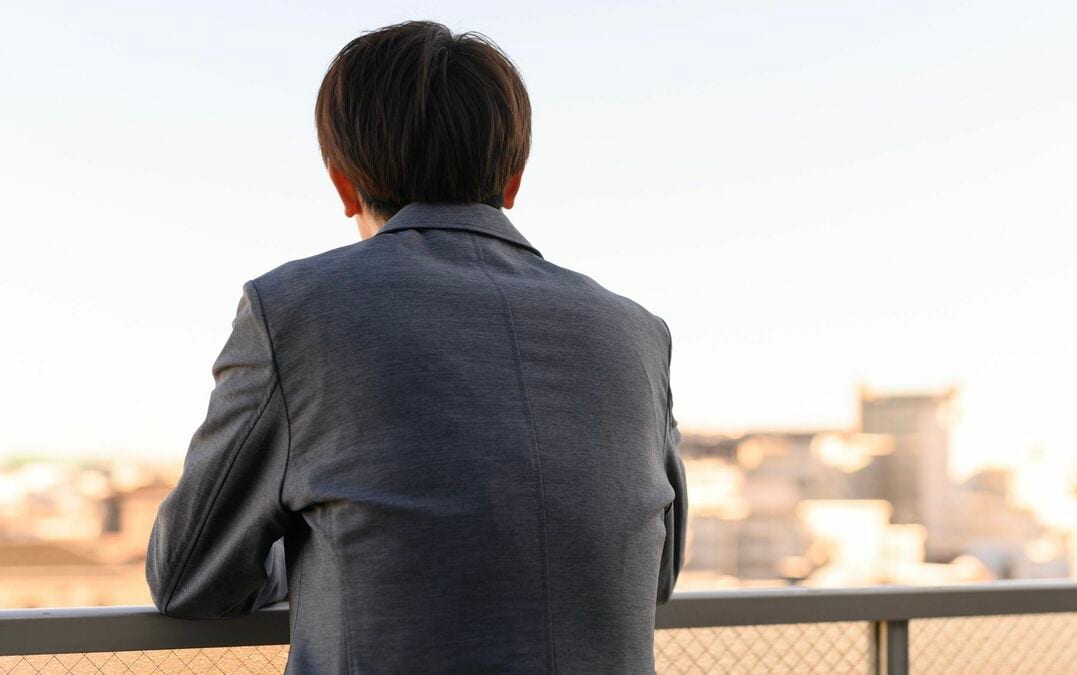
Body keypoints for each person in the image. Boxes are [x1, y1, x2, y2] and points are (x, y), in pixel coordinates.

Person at [145, 20, 687, 674]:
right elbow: (654, 573)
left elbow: (187, 576)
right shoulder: (636, 332)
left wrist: (324, 547)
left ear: (343, 185)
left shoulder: (294, 310)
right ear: (513, 181)